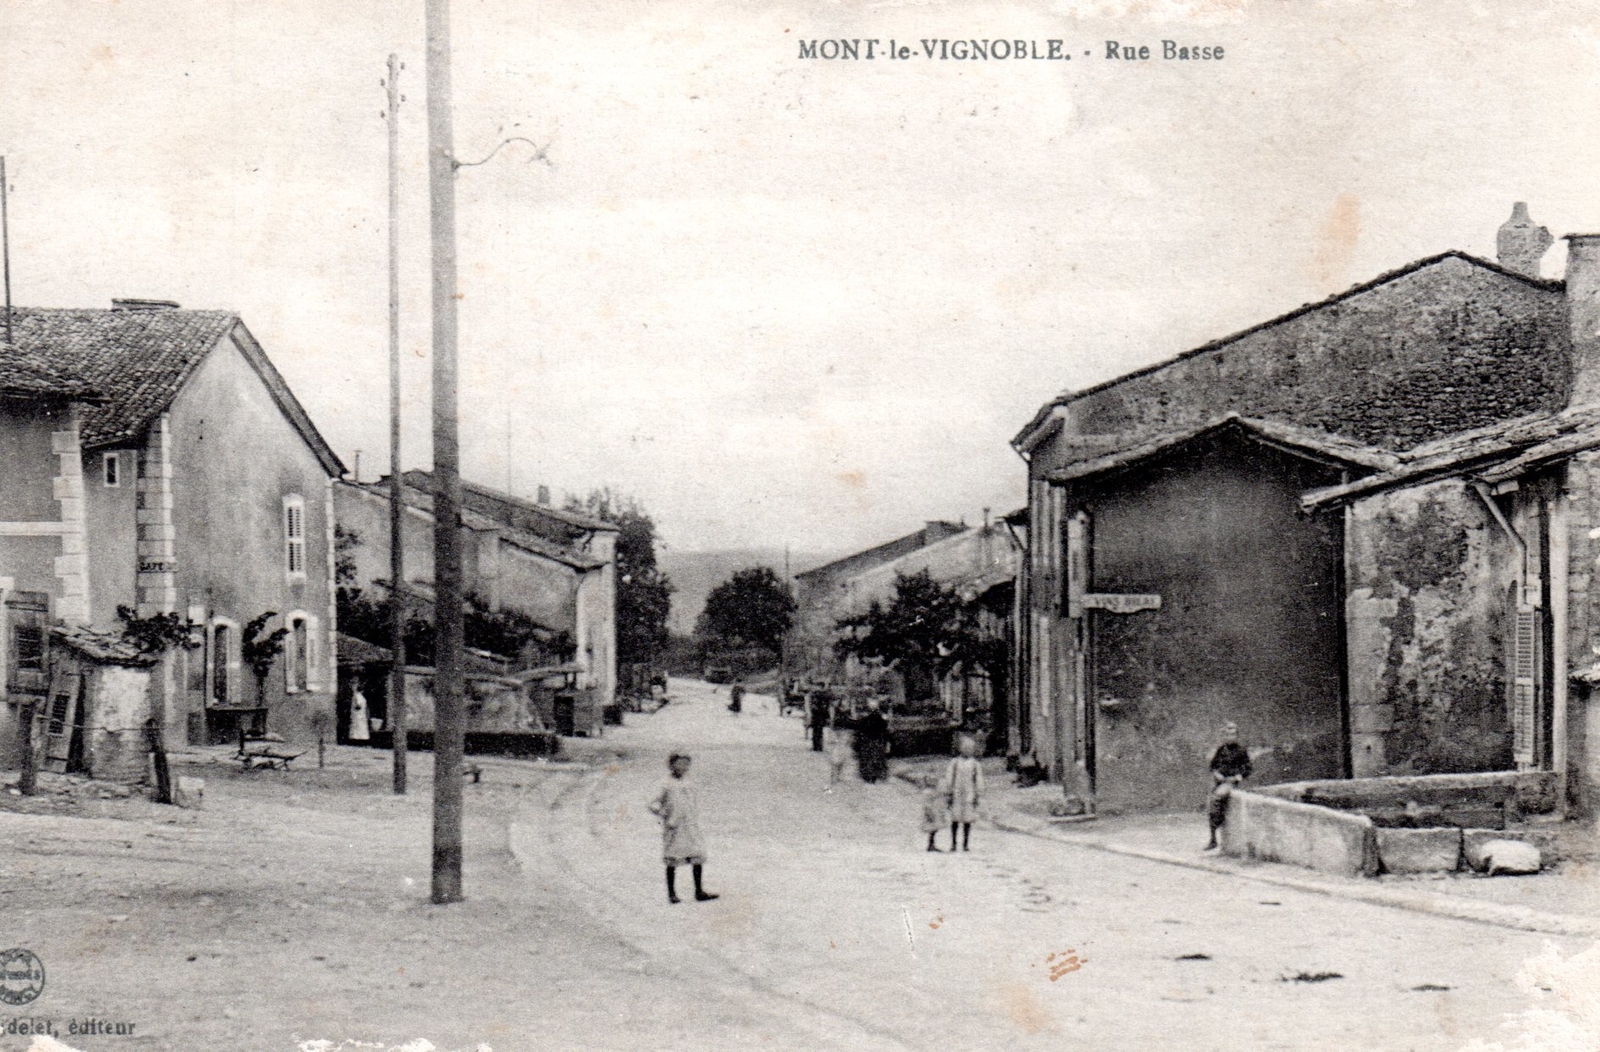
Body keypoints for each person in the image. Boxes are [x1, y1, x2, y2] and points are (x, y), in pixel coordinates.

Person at [648, 753, 719, 904]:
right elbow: (652, 802)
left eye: (686, 764)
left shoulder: (689, 782)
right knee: (672, 858)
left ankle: (699, 891)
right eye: (679, 764)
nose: (683, 767)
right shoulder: (665, 784)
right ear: (671, 765)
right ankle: (672, 894)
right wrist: (663, 814)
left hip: (690, 825)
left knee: (697, 855)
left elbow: (693, 802)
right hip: (674, 827)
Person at [1205, 720, 1252, 851]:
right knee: (1210, 804)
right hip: (1220, 781)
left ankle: (1217, 829)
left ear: (1237, 736)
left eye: (1232, 734)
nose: (1229, 737)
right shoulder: (1221, 749)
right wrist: (1216, 774)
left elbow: (1248, 769)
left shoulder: (1241, 750)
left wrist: (1237, 777)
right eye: (1227, 734)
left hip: (1231, 783)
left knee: (1217, 798)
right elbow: (1213, 765)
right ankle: (1213, 838)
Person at [943, 734, 985, 852]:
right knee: (955, 818)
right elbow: (949, 777)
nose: (968, 750)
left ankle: (966, 844)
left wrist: (978, 793)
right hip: (956, 792)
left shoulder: (975, 764)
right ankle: (953, 843)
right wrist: (949, 791)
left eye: (970, 748)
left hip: (969, 793)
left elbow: (978, 779)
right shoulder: (955, 762)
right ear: (961, 749)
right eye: (965, 748)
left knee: (967, 819)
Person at [853, 698, 890, 783]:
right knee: (875, 757)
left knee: (868, 757)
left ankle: (868, 775)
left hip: (868, 740)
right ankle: (875, 774)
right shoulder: (882, 718)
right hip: (877, 740)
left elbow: (859, 729)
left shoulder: (865, 717)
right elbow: (885, 730)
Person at [825, 724, 851, 792]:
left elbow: (830, 741)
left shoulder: (834, 733)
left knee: (836, 763)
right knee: (838, 763)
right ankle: (837, 776)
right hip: (839, 749)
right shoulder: (844, 734)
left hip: (837, 749)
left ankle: (835, 777)